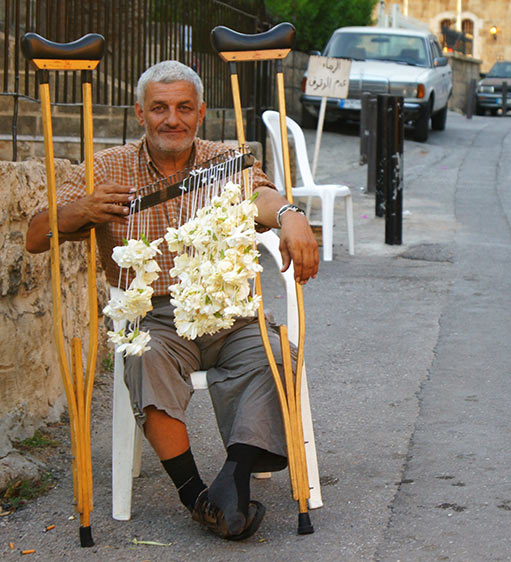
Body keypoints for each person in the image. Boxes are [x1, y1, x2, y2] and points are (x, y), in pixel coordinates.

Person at [25, 61, 319, 540]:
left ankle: (234, 480)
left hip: (229, 314)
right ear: (140, 113)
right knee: (142, 358)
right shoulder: (108, 167)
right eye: (159, 108)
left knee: (274, 357)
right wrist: (81, 209)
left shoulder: (225, 158)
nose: (172, 119)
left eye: (184, 108)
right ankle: (198, 497)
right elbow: (37, 236)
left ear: (200, 113)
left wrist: (289, 214)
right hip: (154, 317)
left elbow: (262, 195)